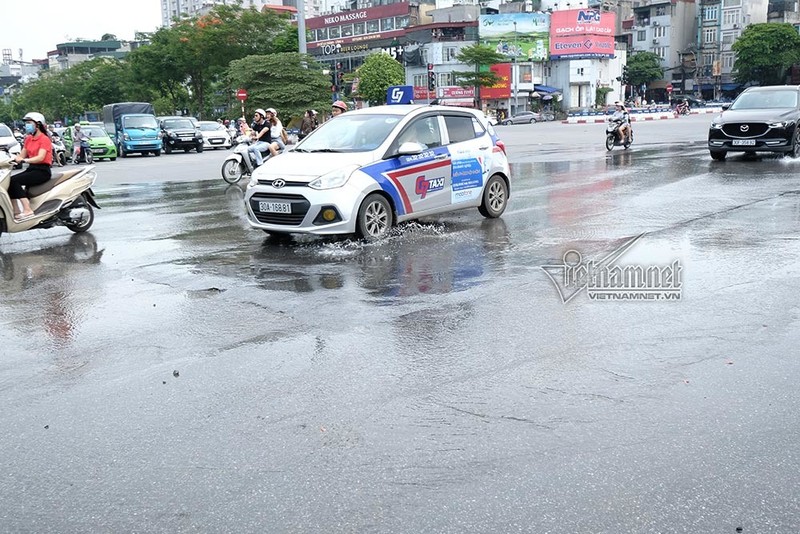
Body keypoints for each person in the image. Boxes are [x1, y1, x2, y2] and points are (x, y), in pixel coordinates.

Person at [10, 112, 53, 221]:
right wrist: (11, 159)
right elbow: (21, 154)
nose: (26, 125)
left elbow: (40, 157)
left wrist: (24, 160)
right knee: (8, 181)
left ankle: (27, 209)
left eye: (29, 123)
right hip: (32, 169)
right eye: (26, 123)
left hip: (42, 171)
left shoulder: (44, 139)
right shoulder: (28, 139)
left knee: (14, 181)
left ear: (38, 124)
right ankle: (16, 211)